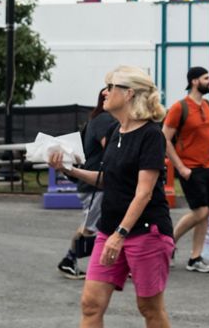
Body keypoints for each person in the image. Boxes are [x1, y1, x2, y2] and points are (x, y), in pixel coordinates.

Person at [48, 66, 173, 328]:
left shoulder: (151, 135)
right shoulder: (117, 132)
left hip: (145, 232)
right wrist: (67, 169)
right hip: (110, 230)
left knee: (150, 308)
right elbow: (108, 180)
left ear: (128, 94)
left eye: (111, 87)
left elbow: (144, 192)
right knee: (91, 304)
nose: (104, 92)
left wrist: (120, 234)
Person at [163, 67, 209, 274]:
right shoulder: (179, 108)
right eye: (206, 78)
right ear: (195, 81)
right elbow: (165, 139)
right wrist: (180, 167)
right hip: (191, 168)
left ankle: (195, 258)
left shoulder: (208, 105)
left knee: (205, 214)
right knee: (200, 211)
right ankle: (168, 243)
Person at [58, 89, 120, 279]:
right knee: (91, 225)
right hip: (95, 182)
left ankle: (117, 262)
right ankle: (69, 259)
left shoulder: (100, 118)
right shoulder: (104, 120)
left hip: (94, 181)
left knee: (102, 223)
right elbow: (110, 148)